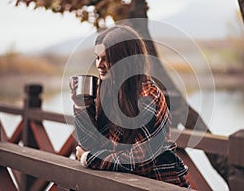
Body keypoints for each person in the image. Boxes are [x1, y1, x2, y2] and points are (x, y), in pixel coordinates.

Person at [70, 25, 190, 188]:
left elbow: (141, 162)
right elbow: (91, 144)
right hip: (123, 183)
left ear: (126, 59)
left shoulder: (147, 97)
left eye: (107, 58)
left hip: (158, 184)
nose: (99, 64)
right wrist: (82, 107)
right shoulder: (110, 89)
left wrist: (90, 159)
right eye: (97, 57)